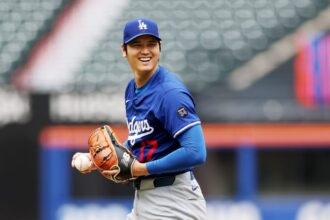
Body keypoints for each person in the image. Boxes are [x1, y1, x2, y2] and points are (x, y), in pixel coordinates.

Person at [73, 18, 207, 220]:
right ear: (124, 50)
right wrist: (97, 159)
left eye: (151, 44)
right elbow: (143, 141)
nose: (145, 51)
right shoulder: (132, 89)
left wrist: (141, 169)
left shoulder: (170, 93)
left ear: (160, 48)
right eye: (137, 45)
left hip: (173, 200)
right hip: (146, 199)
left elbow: (196, 152)